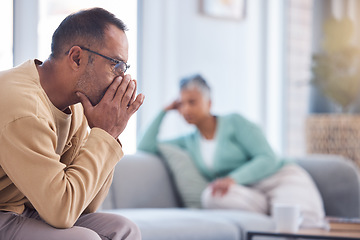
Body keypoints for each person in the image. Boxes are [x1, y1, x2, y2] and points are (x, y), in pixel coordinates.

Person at [0, 8, 144, 240]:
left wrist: (108, 134)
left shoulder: (76, 105)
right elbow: (62, 213)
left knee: (124, 229)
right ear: (77, 58)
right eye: (115, 65)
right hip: (3, 211)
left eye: (124, 68)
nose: (122, 79)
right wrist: (105, 133)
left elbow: (86, 205)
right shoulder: (23, 107)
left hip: (24, 208)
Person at [137, 74, 325, 227]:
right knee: (210, 197)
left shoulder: (235, 123)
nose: (185, 109)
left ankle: (278, 211)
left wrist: (233, 179)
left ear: (209, 103)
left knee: (302, 224)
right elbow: (146, 146)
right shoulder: (189, 141)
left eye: (192, 102)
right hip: (250, 193)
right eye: (181, 104)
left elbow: (268, 158)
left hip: (278, 179)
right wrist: (164, 110)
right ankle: (271, 213)